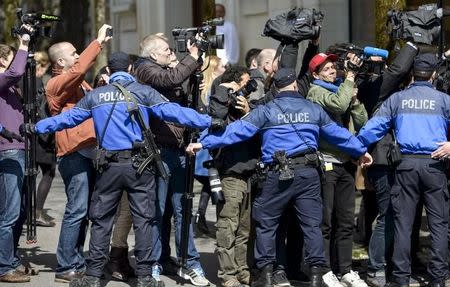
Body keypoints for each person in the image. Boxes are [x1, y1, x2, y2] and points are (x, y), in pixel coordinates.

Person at [23, 50, 219, 287]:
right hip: (140, 167)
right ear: (130, 69)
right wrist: (210, 121)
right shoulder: (144, 92)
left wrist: (35, 127)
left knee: (102, 221)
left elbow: (67, 119)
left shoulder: (96, 96)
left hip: (108, 167)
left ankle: (94, 276)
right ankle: (146, 276)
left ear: (109, 71)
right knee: (144, 220)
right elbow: (175, 113)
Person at [187, 68, 373, 287]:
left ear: (276, 87)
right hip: (308, 174)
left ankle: (266, 274)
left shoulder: (266, 111)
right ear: (295, 85)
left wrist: (203, 143)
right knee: (312, 225)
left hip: (276, 174)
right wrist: (361, 151)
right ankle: (315, 276)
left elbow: (235, 132)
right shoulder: (313, 109)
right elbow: (338, 134)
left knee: (267, 224)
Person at [357, 53, 449, 287]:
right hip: (435, 165)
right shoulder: (444, 100)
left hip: (405, 166)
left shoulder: (397, 99)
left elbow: (373, 128)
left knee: (403, 224)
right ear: (434, 75)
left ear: (412, 74)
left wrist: (358, 149)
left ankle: (400, 278)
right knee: (438, 224)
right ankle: (438, 277)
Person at [134, 33, 210, 286]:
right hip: (159, 151)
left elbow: (181, 99)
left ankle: (190, 263)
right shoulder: (145, 70)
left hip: (178, 148)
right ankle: (153, 263)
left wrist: (192, 85)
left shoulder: (165, 73)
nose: (171, 53)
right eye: (167, 50)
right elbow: (171, 78)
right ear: (153, 54)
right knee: (157, 211)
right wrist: (193, 56)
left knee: (182, 210)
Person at [45, 24, 112, 283]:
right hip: (73, 153)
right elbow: (79, 68)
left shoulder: (79, 82)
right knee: (76, 210)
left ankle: (77, 260)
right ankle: (65, 266)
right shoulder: (55, 84)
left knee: (84, 211)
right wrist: (97, 43)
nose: (76, 56)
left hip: (88, 150)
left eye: (77, 52)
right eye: (73, 53)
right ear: (61, 61)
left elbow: (91, 100)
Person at [306, 52, 369, 287]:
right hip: (326, 162)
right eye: (326, 69)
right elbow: (338, 104)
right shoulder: (316, 91)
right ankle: (324, 269)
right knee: (326, 221)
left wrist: (355, 100)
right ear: (316, 74)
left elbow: (361, 120)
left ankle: (345, 269)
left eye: (334, 67)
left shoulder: (341, 89)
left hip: (346, 163)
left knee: (345, 221)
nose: (333, 71)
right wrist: (350, 79)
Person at [208, 65, 257, 287]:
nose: (245, 90)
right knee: (227, 227)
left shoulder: (247, 108)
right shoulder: (221, 106)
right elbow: (215, 118)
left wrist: (247, 108)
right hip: (230, 175)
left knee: (244, 230)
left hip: (249, 175)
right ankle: (227, 275)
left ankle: (241, 270)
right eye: (242, 84)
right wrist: (223, 91)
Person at [0, 27, 31, 283]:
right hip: (8, 151)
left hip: (15, 149)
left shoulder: (9, 88)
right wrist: (24, 44)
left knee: (16, 211)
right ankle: (3, 267)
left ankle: (9, 260)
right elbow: (16, 71)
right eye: (11, 56)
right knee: (8, 214)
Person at [195, 55, 226, 235]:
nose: (224, 68)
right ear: (214, 68)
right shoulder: (213, 91)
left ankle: (200, 215)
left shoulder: (201, 90)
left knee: (210, 181)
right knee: (214, 180)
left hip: (201, 141)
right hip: (209, 142)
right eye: (221, 66)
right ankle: (216, 221)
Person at [34, 50, 57, 227]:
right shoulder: (36, 82)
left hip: (31, 134)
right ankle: (37, 212)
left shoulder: (25, 81)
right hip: (41, 135)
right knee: (48, 172)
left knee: (30, 175)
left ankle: (29, 211)